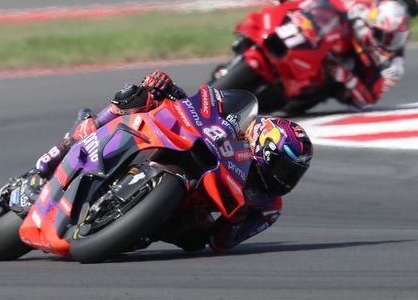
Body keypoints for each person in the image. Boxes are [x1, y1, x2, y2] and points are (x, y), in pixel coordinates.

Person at [27, 70, 313, 253]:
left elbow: (221, 242)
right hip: (183, 152)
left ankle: (128, 226)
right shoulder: (237, 134)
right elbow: (201, 107)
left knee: (194, 239)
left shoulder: (268, 207)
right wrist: (170, 90)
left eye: (293, 174)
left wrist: (235, 219)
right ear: (263, 148)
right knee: (139, 97)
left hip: (190, 209)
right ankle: (77, 137)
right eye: (284, 168)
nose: (285, 178)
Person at [266, 0, 418, 108]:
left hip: (346, 76)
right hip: (327, 42)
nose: (390, 44)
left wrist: (348, 78)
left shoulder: (393, 68)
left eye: (396, 38)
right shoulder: (359, 9)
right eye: (386, 37)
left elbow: (368, 100)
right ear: (372, 23)